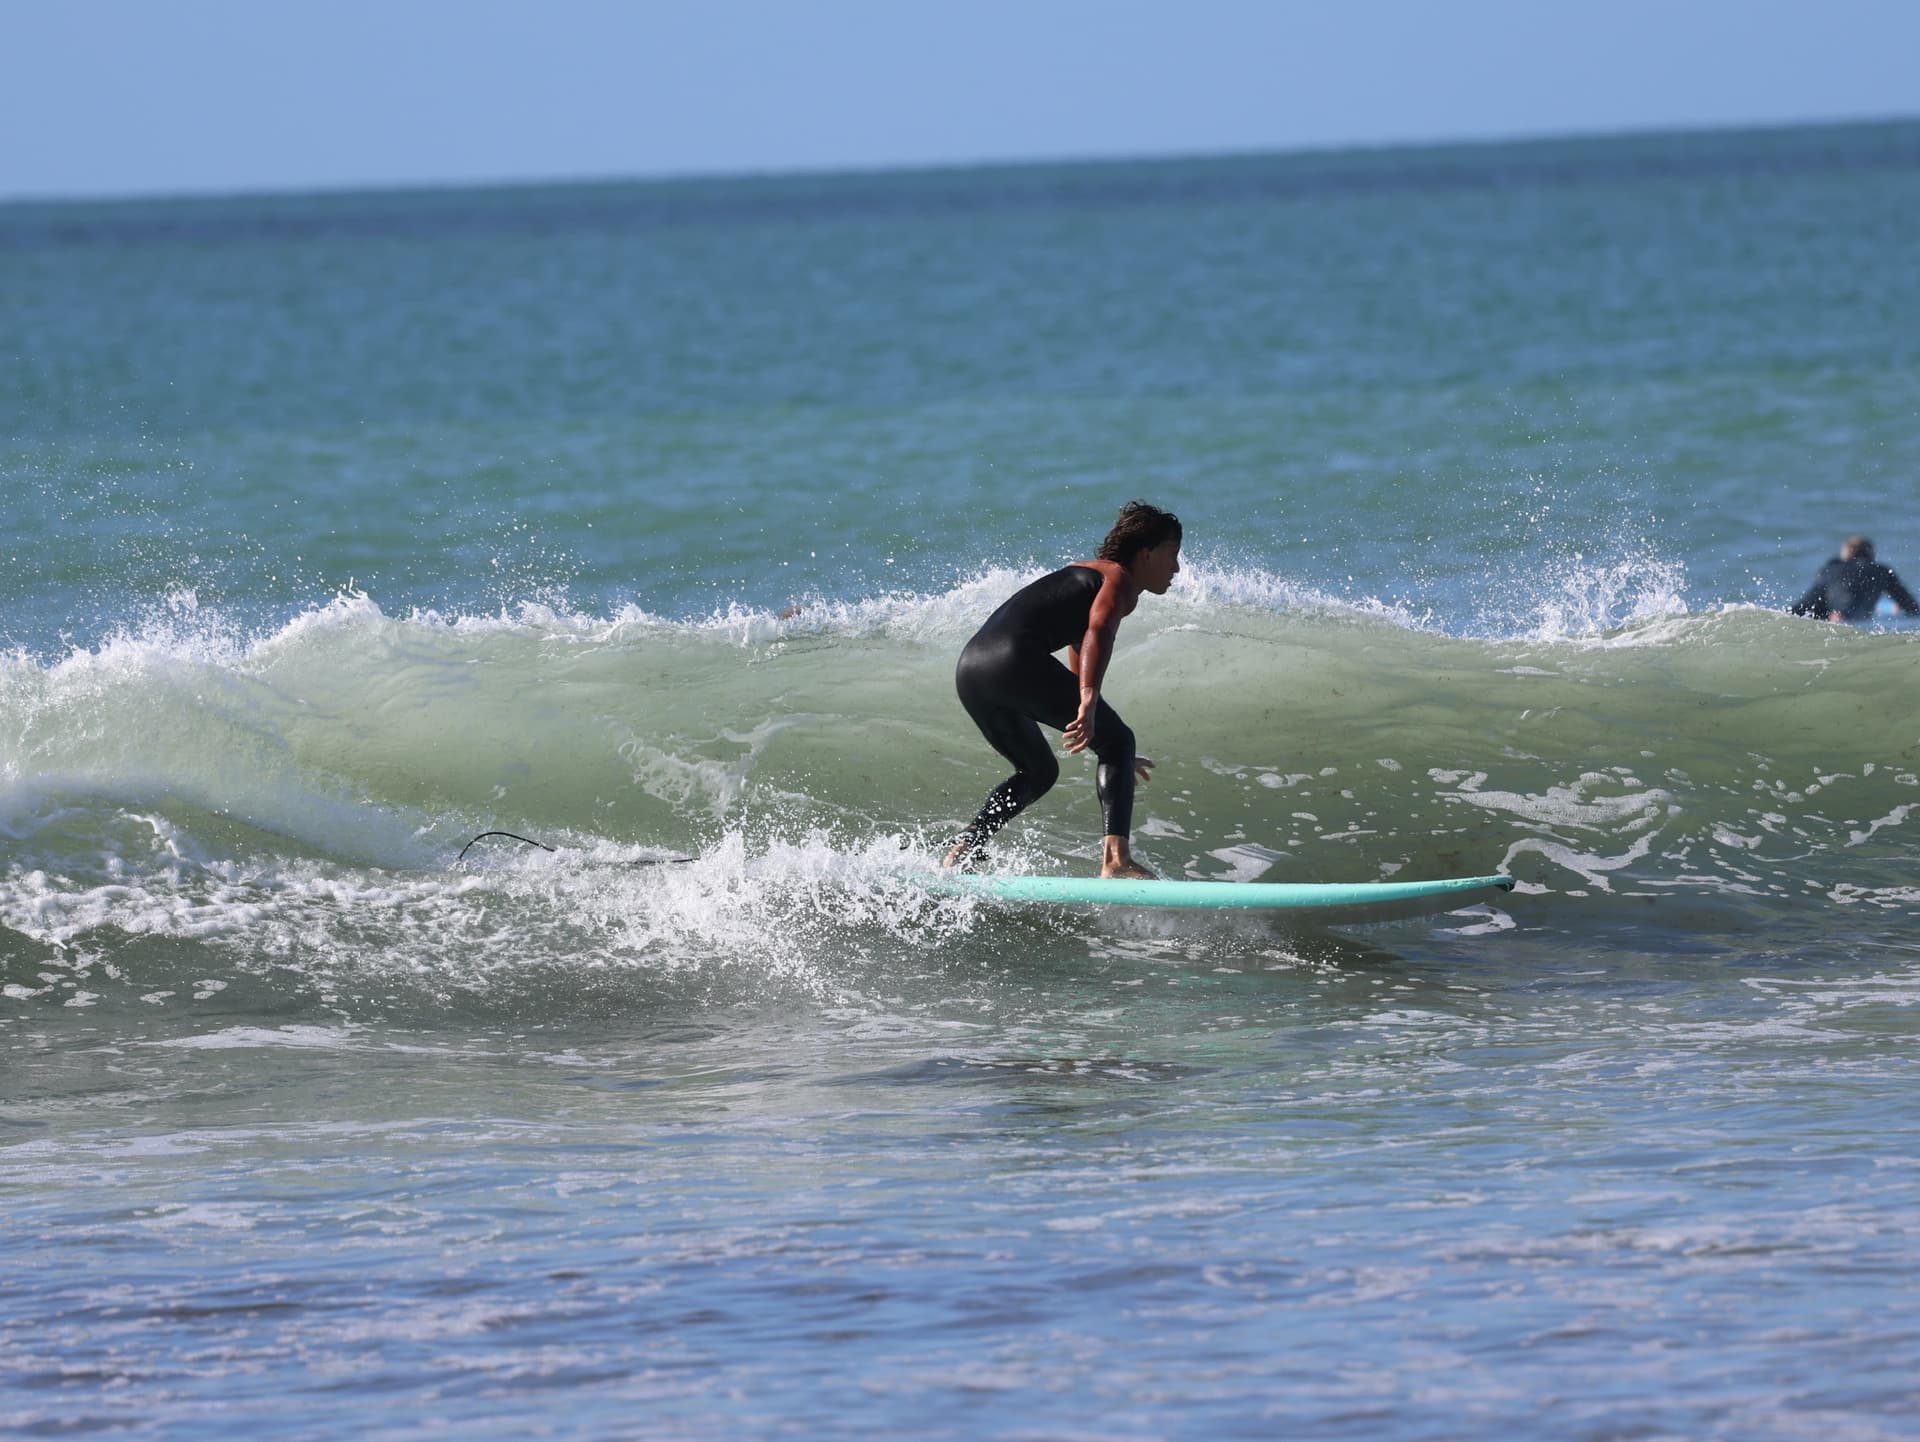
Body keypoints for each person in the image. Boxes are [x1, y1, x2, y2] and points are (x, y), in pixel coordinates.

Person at [946, 501, 1182, 879]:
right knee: (1119, 740)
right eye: (1172, 554)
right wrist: (1091, 707)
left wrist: (1091, 715)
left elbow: (1080, 640)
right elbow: (1098, 632)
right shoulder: (1119, 580)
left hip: (972, 668)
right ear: (1146, 553)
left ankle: (964, 847)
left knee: (1039, 771)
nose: (1176, 568)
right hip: (1014, 660)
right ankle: (1116, 861)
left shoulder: (1086, 573)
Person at [1790, 536, 1920, 623]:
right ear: (1870, 554)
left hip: (1832, 614)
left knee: (1803, 611)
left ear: (1846, 553)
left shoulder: (1831, 569)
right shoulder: (1881, 571)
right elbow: (1910, 605)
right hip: (1853, 618)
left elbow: (1811, 598)